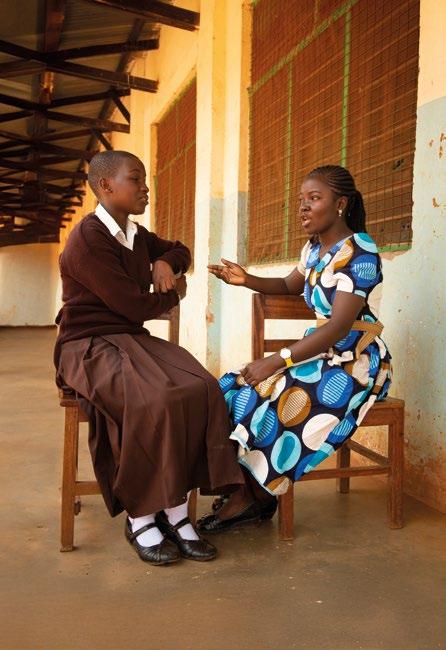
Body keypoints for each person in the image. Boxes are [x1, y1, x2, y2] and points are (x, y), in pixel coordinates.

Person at [54, 150, 243, 564]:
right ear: (106, 186)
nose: (146, 188)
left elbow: (181, 250)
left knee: (202, 387)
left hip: (128, 339)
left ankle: (175, 510)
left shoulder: (135, 234)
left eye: (144, 180)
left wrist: (163, 260)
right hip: (87, 344)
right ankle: (141, 515)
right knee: (151, 398)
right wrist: (177, 293)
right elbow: (131, 305)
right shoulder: (87, 239)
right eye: (136, 179)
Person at [198, 165, 392, 533]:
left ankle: (255, 495)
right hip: (322, 355)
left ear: (340, 204)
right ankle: (249, 491)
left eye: (314, 198)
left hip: (357, 363)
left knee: (285, 398)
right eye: (301, 199)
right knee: (237, 388)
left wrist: (277, 360)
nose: (303, 207)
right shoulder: (314, 248)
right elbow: (290, 285)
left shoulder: (361, 251)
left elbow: (339, 327)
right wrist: (245, 279)